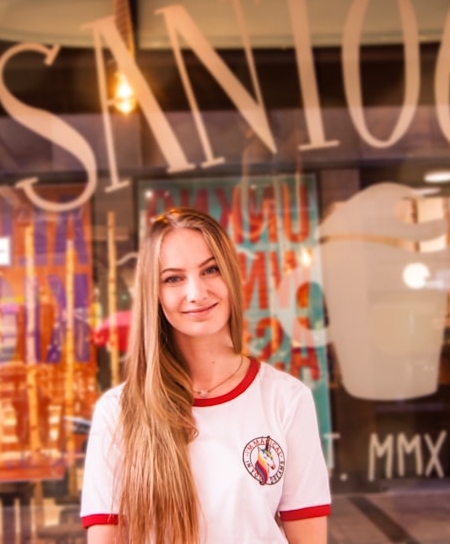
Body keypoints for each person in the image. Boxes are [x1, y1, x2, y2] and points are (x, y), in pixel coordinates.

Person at [80, 207, 331, 543]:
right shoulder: (119, 411)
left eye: (210, 270)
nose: (196, 293)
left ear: (230, 275)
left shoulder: (286, 398)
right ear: (154, 294)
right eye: (173, 278)